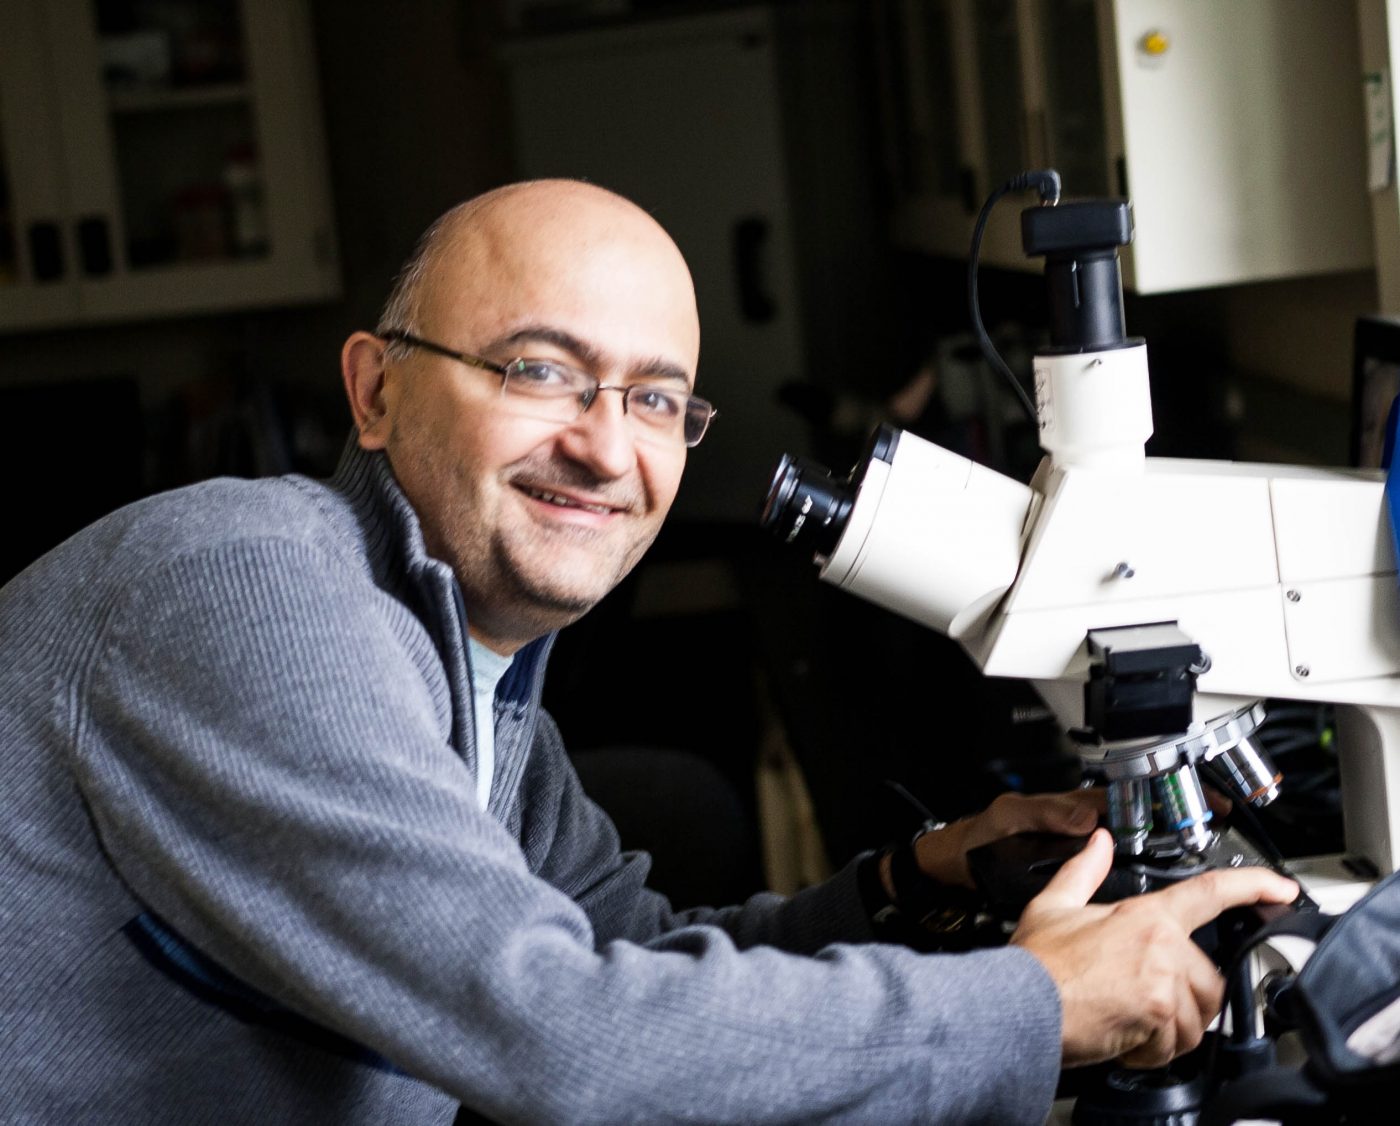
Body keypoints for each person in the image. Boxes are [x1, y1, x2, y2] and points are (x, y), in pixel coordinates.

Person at [0, 180, 1295, 1124]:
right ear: (375, 389)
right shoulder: (242, 589)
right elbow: (563, 1036)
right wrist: (1031, 1008)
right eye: (540, 371)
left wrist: (909, 881)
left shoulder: (482, 681)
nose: (609, 447)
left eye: (657, 398)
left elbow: (640, 957)